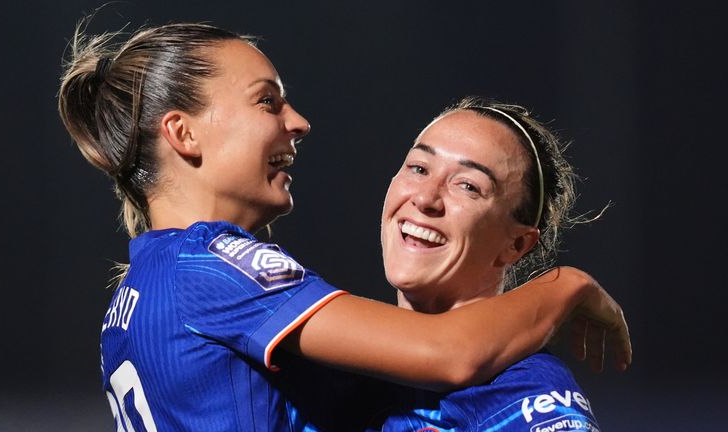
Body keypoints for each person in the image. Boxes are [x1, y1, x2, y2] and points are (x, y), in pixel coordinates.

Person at [57, 21, 630, 431]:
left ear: (518, 242)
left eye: (468, 184)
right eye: (267, 102)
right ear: (183, 134)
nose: (298, 123)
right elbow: (448, 355)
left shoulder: (137, 294)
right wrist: (568, 284)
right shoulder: (212, 266)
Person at [371, 97, 610, 430]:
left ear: (515, 245)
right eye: (419, 168)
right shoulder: (333, 368)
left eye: (468, 186)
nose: (425, 198)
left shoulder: (524, 389)